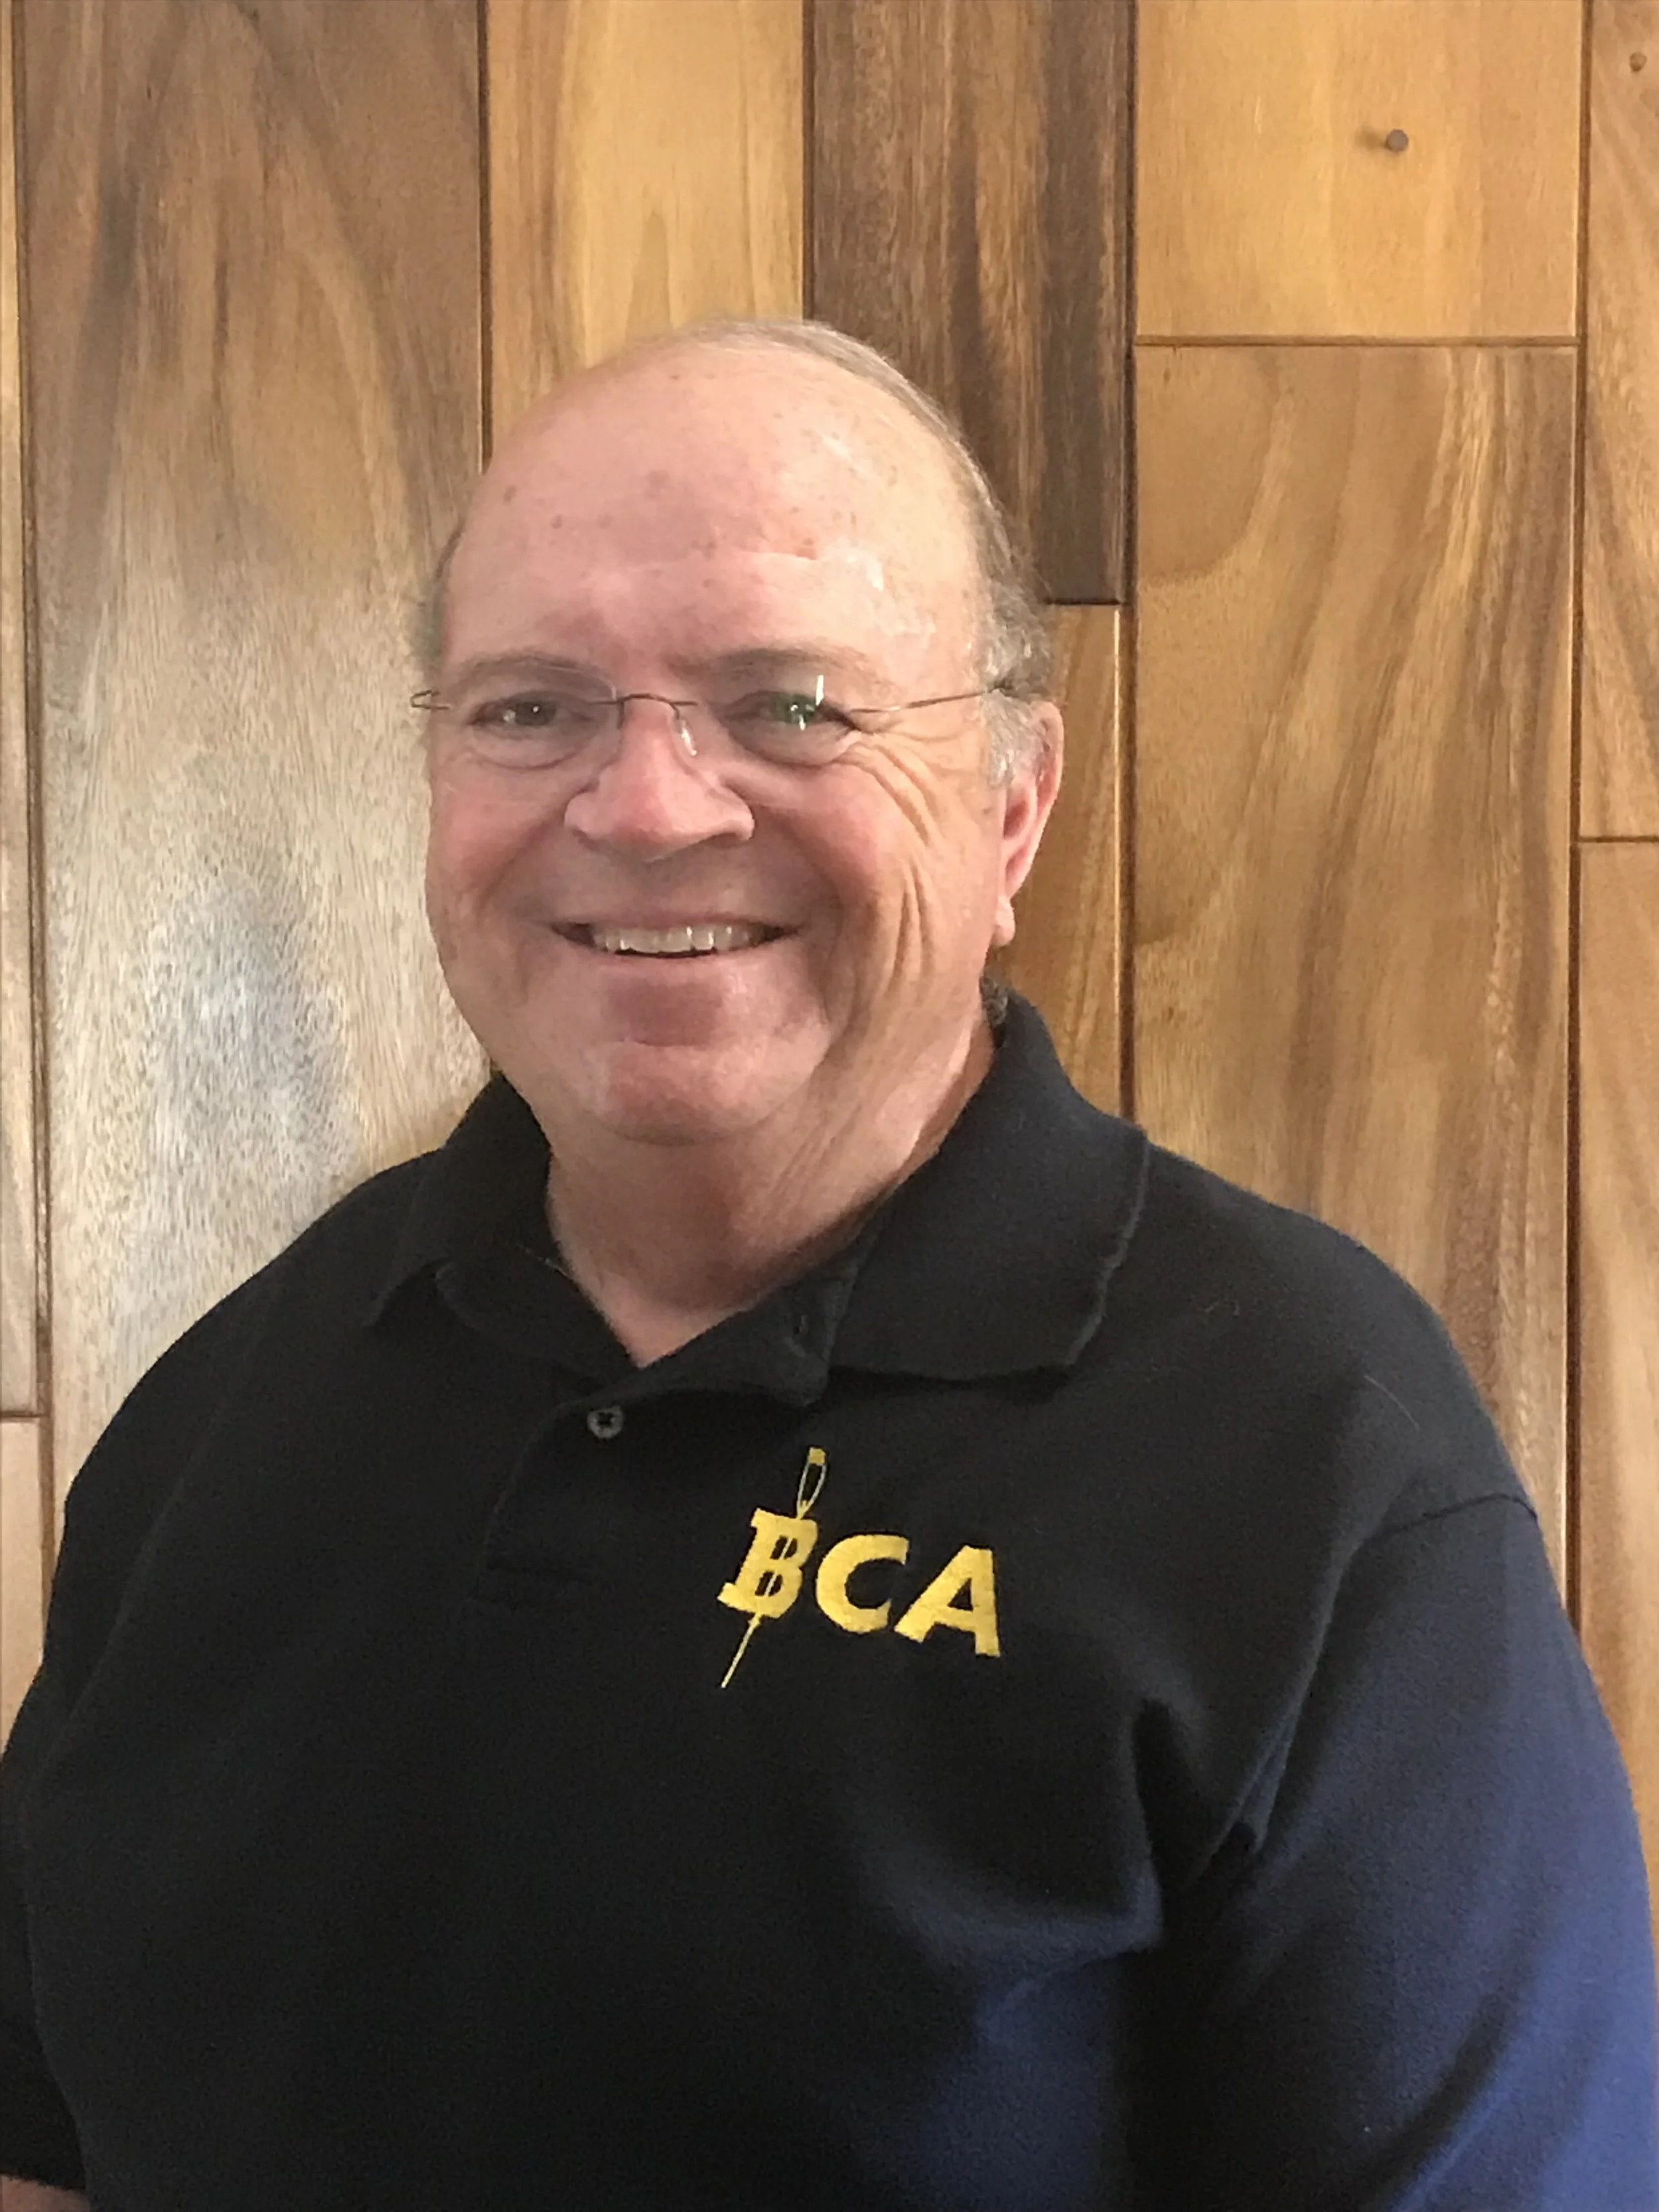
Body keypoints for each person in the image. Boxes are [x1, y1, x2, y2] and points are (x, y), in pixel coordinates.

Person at [2, 319, 1655, 2212]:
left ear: (1014, 804)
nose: (642, 806)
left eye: (789, 701)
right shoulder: (234, 1400)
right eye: (529, 706)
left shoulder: (1314, 1467)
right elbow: (41, 2121)